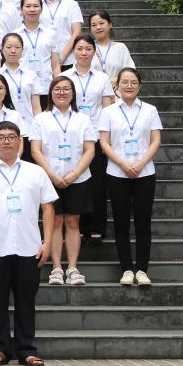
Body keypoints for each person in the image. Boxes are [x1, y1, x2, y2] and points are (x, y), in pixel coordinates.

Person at [0, 120, 56, 366]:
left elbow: (48, 207)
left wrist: (47, 242)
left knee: (26, 301)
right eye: (1, 137)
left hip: (29, 247)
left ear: (20, 142)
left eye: (11, 137)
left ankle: (27, 349)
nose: (6, 141)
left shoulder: (35, 172)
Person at [30, 76, 97, 287]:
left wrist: (74, 174)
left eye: (66, 89)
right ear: (50, 93)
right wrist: (52, 174)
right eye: (57, 89)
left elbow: (90, 150)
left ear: (73, 93)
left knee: (73, 222)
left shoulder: (83, 119)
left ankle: (73, 268)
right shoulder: (41, 119)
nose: (62, 92)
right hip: (50, 178)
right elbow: (35, 150)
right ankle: (57, 268)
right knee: (55, 221)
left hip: (78, 178)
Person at [99, 68, 164, 286]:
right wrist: (124, 164)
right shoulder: (108, 112)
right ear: (117, 86)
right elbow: (104, 143)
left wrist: (140, 163)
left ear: (139, 86)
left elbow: (156, 140)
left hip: (145, 173)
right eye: (125, 82)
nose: (129, 86)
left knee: (143, 223)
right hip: (117, 172)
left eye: (133, 82)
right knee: (121, 223)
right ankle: (127, 269)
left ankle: (142, 270)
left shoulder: (150, 110)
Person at [67, 35, 116, 242]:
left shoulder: (102, 78)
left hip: (95, 136)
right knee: (77, 182)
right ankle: (78, 225)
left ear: (94, 52)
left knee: (97, 183)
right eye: (79, 49)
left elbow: (107, 110)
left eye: (88, 49)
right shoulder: (65, 77)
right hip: (72, 136)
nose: (84, 53)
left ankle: (97, 226)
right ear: (74, 52)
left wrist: (106, 139)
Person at [40, 0, 83, 64]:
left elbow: (77, 32)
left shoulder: (72, 5)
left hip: (68, 60)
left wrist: (63, 56)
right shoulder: (36, 6)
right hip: (43, 60)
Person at [89, 9, 136, 82]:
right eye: (93, 25)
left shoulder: (120, 47)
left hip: (116, 88)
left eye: (101, 23)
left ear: (110, 24)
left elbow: (131, 71)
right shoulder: (86, 49)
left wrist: (118, 80)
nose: (98, 27)